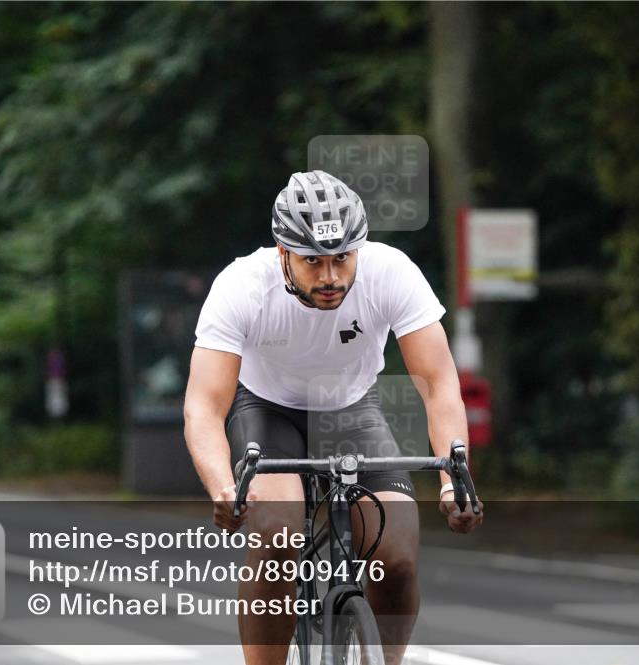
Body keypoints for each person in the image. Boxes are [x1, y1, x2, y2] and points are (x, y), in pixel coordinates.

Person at [183, 169, 483, 665]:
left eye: (342, 258)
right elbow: (203, 407)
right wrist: (221, 485)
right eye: (312, 262)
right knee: (278, 538)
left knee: (399, 561)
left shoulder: (392, 273)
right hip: (268, 413)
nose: (329, 277)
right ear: (283, 254)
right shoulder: (241, 286)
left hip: (352, 413)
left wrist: (455, 478)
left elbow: (439, 384)